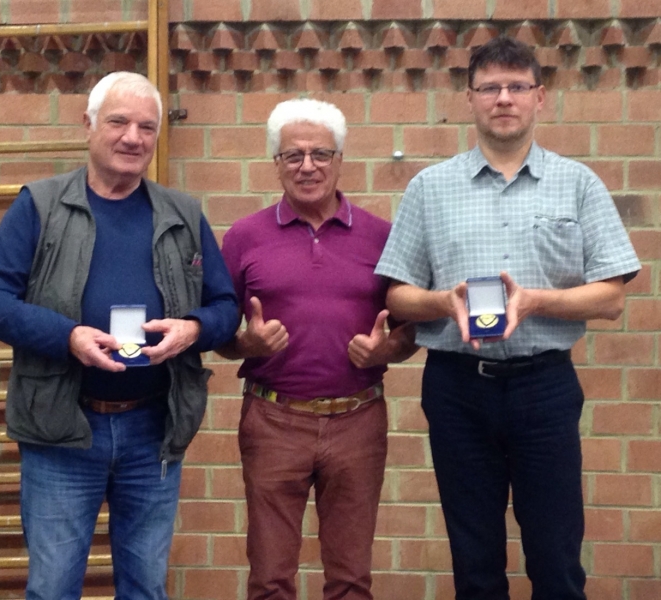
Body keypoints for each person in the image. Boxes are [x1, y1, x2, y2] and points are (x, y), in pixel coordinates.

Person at [375, 37, 640, 600]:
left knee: (556, 558)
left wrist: (536, 301)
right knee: (474, 563)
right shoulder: (430, 188)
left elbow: (612, 296)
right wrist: (446, 302)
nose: (503, 99)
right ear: (469, 98)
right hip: (456, 390)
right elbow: (397, 296)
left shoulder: (579, 184)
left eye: (517, 87)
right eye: (490, 87)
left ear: (540, 98)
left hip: (544, 388)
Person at [0, 71, 239, 600]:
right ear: (88, 124)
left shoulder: (183, 213)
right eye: (118, 122)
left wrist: (193, 329)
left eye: (146, 127)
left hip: (152, 430)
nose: (132, 138)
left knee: (145, 589)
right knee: (52, 589)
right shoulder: (40, 206)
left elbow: (226, 308)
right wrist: (67, 336)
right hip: (62, 430)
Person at [218, 98, 416, 600]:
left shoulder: (381, 237)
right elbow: (218, 332)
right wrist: (248, 343)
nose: (308, 166)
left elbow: (411, 333)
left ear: (340, 159)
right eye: (293, 155)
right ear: (276, 164)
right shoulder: (244, 237)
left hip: (358, 423)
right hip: (273, 422)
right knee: (270, 578)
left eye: (320, 153)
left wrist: (383, 353)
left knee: (351, 579)